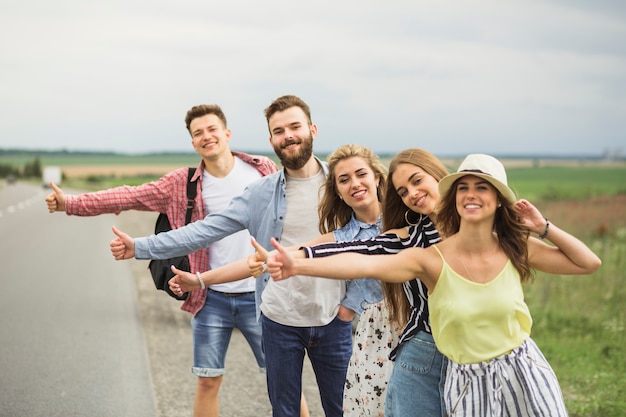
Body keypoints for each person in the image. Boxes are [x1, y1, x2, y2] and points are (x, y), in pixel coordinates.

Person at [265, 153, 602, 416]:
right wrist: (298, 263)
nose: (471, 195)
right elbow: (361, 257)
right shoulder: (425, 253)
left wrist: (543, 226)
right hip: (451, 367)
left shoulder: (512, 245)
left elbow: (588, 263)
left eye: (482, 187)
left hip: (517, 367)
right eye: (464, 188)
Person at [45, 104, 310, 417]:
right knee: (208, 382)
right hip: (209, 296)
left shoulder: (262, 170)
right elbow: (128, 195)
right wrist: (71, 203)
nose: (206, 136)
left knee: (284, 380)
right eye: (198, 133)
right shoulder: (181, 185)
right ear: (193, 143)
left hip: (263, 296)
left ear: (227, 133)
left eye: (212, 129)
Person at [109, 95, 358, 417]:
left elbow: (372, 238)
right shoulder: (260, 193)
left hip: (333, 318)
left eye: (295, 126)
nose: (289, 135)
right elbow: (202, 231)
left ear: (312, 129)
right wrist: (140, 247)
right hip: (279, 319)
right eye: (279, 131)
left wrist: (350, 306)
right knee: (285, 411)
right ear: (271, 141)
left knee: (344, 409)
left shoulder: (342, 184)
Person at [255, 148, 451, 416]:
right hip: (420, 342)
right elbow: (358, 255)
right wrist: (294, 262)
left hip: (465, 344)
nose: (412, 193)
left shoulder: (474, 224)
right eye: (404, 191)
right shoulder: (408, 236)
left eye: (417, 182)